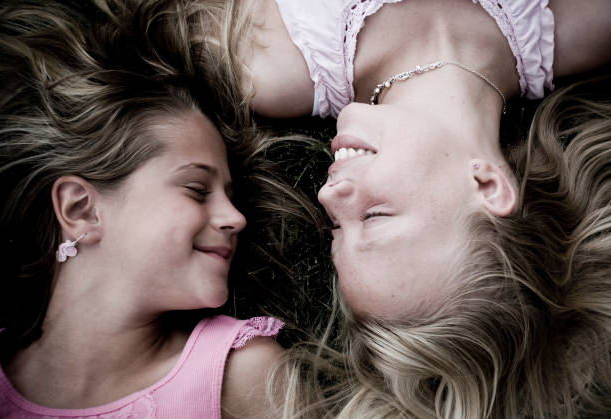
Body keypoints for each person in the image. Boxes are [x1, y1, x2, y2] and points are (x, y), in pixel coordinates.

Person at [184, 0, 611, 416]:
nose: (328, 196)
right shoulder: (584, 21)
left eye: (336, 228)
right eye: (374, 217)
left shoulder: (268, 63)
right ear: (487, 185)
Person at [0, 1, 300, 417]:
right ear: (81, 210)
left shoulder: (237, 376)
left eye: (230, 195)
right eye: (197, 189)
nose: (236, 218)